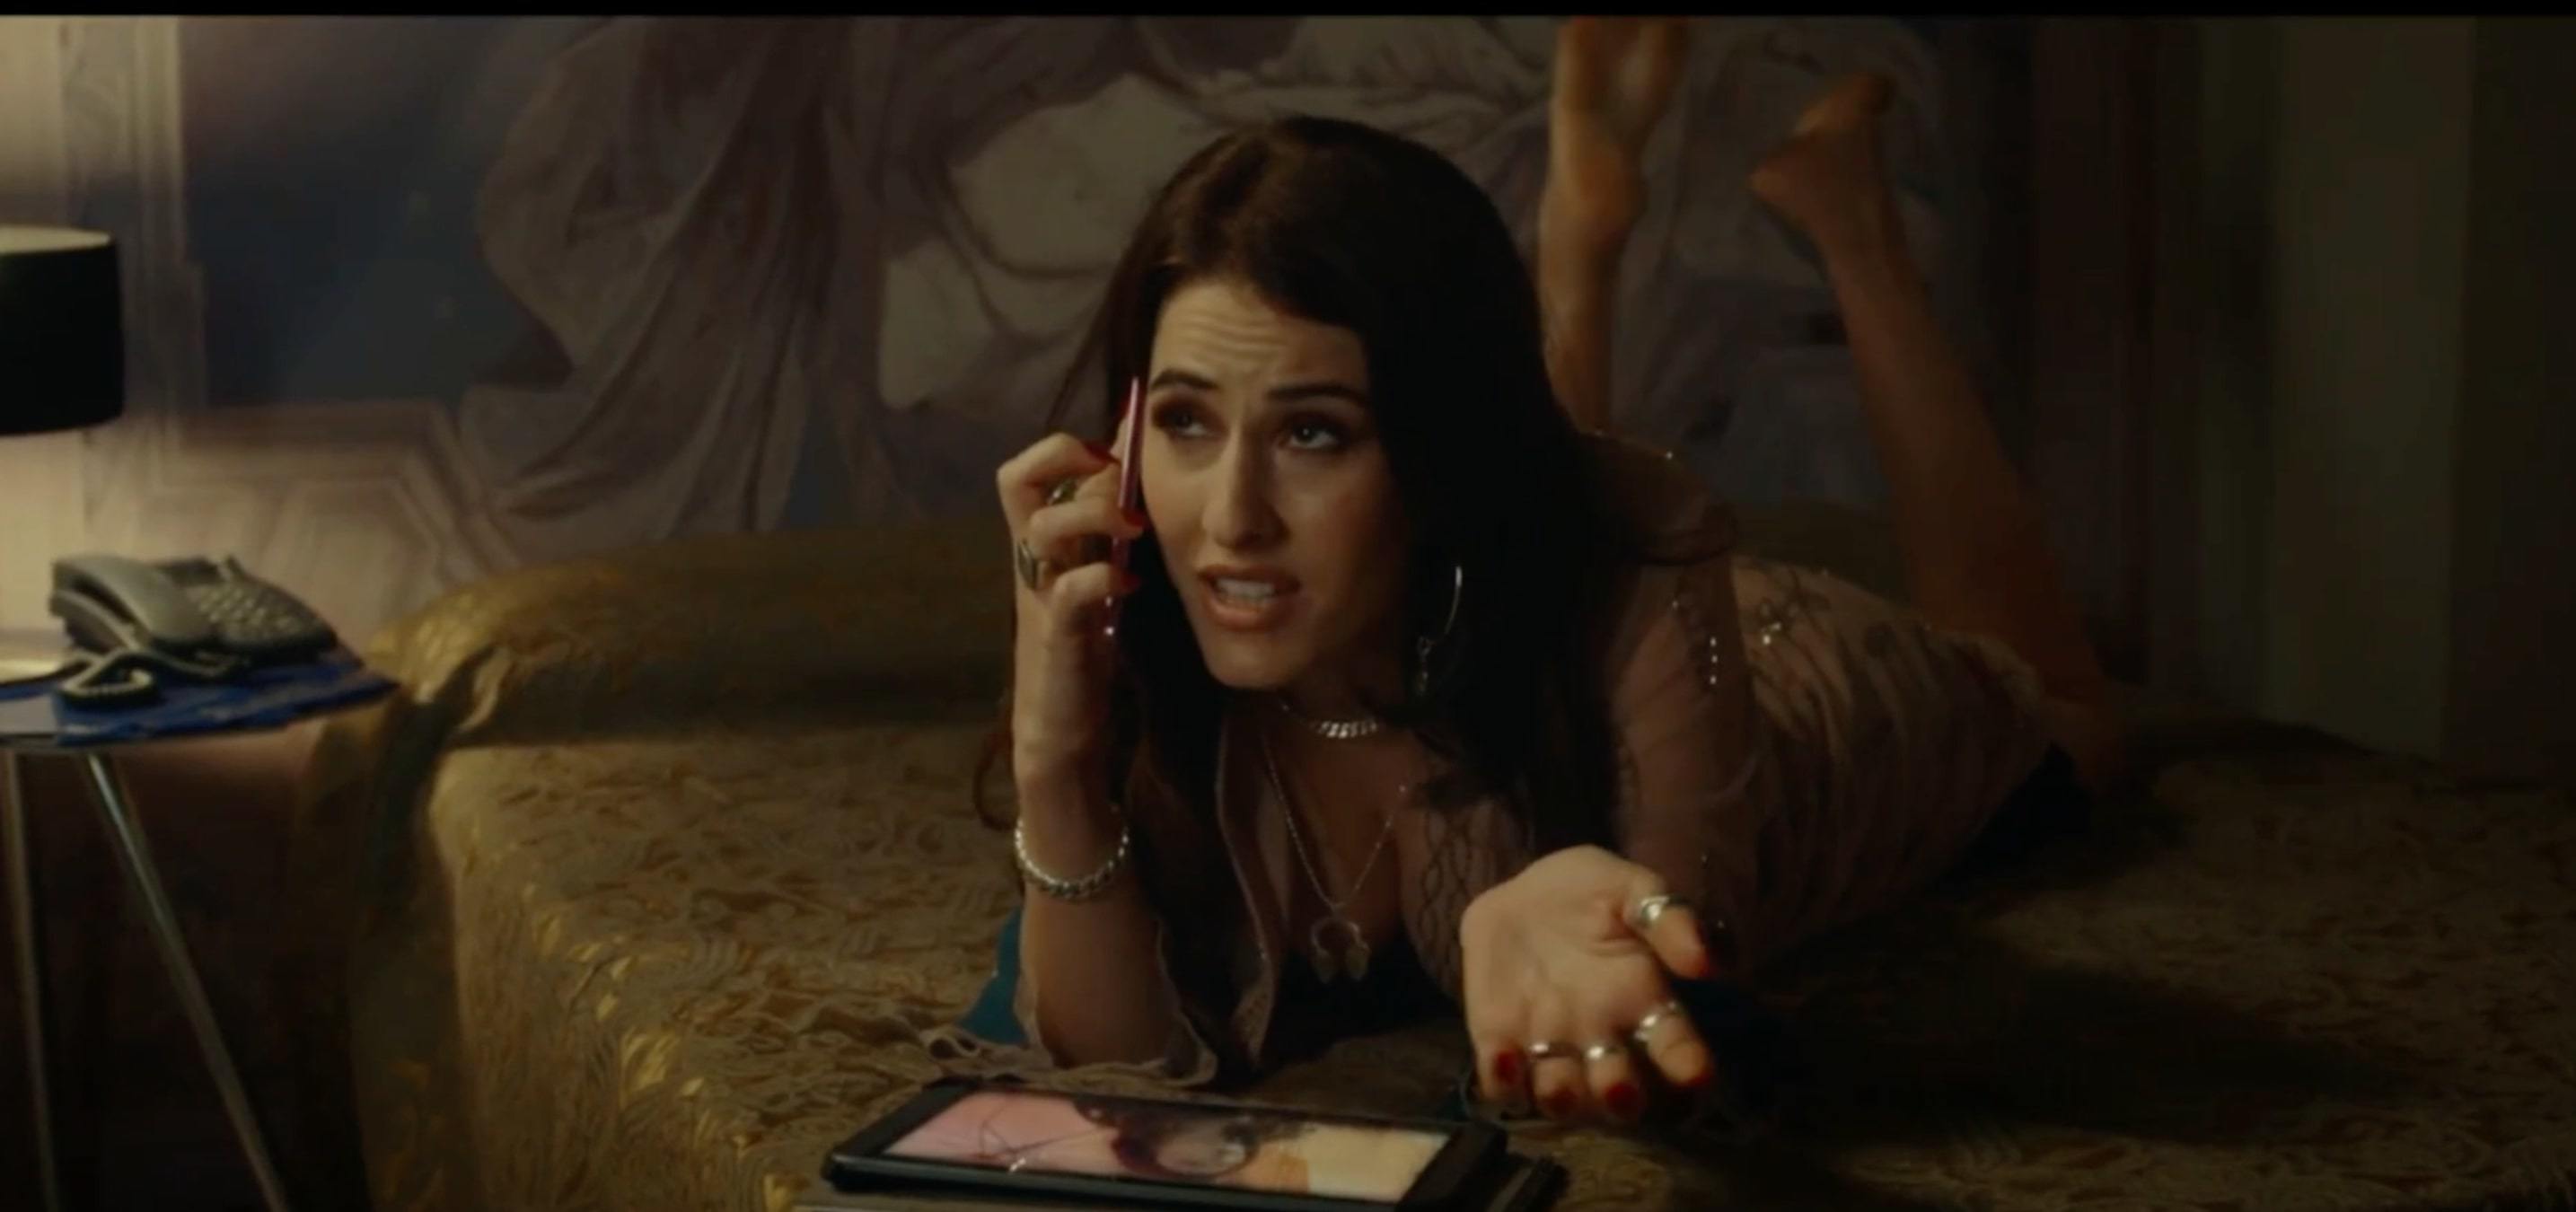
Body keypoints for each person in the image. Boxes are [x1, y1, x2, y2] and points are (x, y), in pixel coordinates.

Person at [955, 16, 2123, 1129]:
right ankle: (1580, 242)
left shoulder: (1636, 552)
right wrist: (1056, 763)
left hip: (1804, 696)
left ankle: (1855, 233)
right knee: (1552, 515)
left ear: (1429, 446)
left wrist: (1543, 898)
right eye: (1185, 422)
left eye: (1313, 432)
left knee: (2069, 711)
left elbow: (1684, 990)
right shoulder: (1145, 633)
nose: (1230, 520)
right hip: (1532, 590)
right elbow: (1107, 1072)